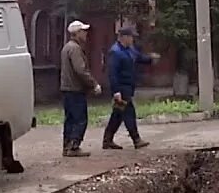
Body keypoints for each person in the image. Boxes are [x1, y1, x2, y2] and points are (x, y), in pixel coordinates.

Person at [103, 27, 159, 150]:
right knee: (129, 112)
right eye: (131, 37)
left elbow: (138, 58)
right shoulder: (115, 52)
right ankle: (136, 139)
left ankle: (107, 140)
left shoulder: (129, 50)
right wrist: (116, 91)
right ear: (124, 37)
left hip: (128, 86)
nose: (132, 39)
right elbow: (113, 73)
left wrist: (150, 59)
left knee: (117, 114)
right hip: (122, 88)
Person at [59, 20, 101, 157]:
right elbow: (80, 70)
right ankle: (74, 146)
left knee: (70, 119)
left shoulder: (67, 47)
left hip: (67, 88)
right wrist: (93, 84)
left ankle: (67, 145)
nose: (86, 33)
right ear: (77, 33)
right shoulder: (75, 49)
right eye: (83, 31)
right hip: (75, 89)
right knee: (80, 119)